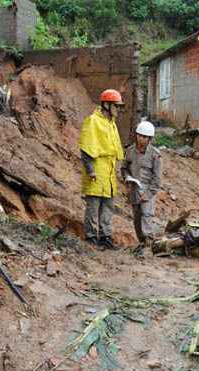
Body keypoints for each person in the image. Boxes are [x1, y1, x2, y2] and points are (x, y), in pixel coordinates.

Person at [79, 89, 125, 250]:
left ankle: (105, 236)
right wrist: (90, 170)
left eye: (119, 107)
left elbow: (115, 150)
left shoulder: (111, 123)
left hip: (109, 171)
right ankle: (91, 237)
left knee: (108, 205)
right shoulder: (93, 121)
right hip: (97, 170)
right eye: (116, 106)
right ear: (106, 105)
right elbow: (86, 148)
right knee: (94, 205)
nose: (118, 109)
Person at [121, 121, 161, 256]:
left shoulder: (155, 155)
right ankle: (142, 242)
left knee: (146, 215)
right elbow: (124, 168)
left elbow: (157, 179)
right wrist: (126, 178)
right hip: (134, 188)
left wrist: (148, 194)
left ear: (150, 139)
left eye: (145, 137)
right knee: (137, 217)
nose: (141, 139)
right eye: (139, 136)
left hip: (147, 190)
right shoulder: (130, 151)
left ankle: (148, 245)